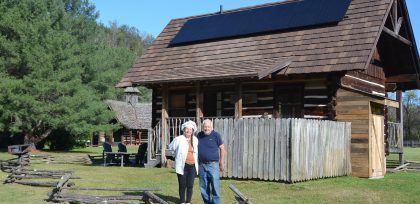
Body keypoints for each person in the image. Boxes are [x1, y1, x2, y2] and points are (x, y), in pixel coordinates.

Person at [168, 121, 199, 204]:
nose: (188, 131)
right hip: (183, 165)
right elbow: (171, 148)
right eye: (186, 129)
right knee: (182, 185)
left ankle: (188, 202)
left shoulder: (195, 140)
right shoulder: (178, 139)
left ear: (193, 131)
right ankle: (182, 201)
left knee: (190, 185)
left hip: (192, 166)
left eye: (190, 129)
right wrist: (176, 156)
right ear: (183, 130)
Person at [197, 119, 225, 204]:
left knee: (215, 188)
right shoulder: (199, 135)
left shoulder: (216, 135)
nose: (206, 128)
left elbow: (222, 148)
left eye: (208, 127)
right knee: (203, 188)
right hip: (202, 165)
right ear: (203, 127)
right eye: (205, 127)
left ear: (211, 127)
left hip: (213, 165)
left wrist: (221, 162)